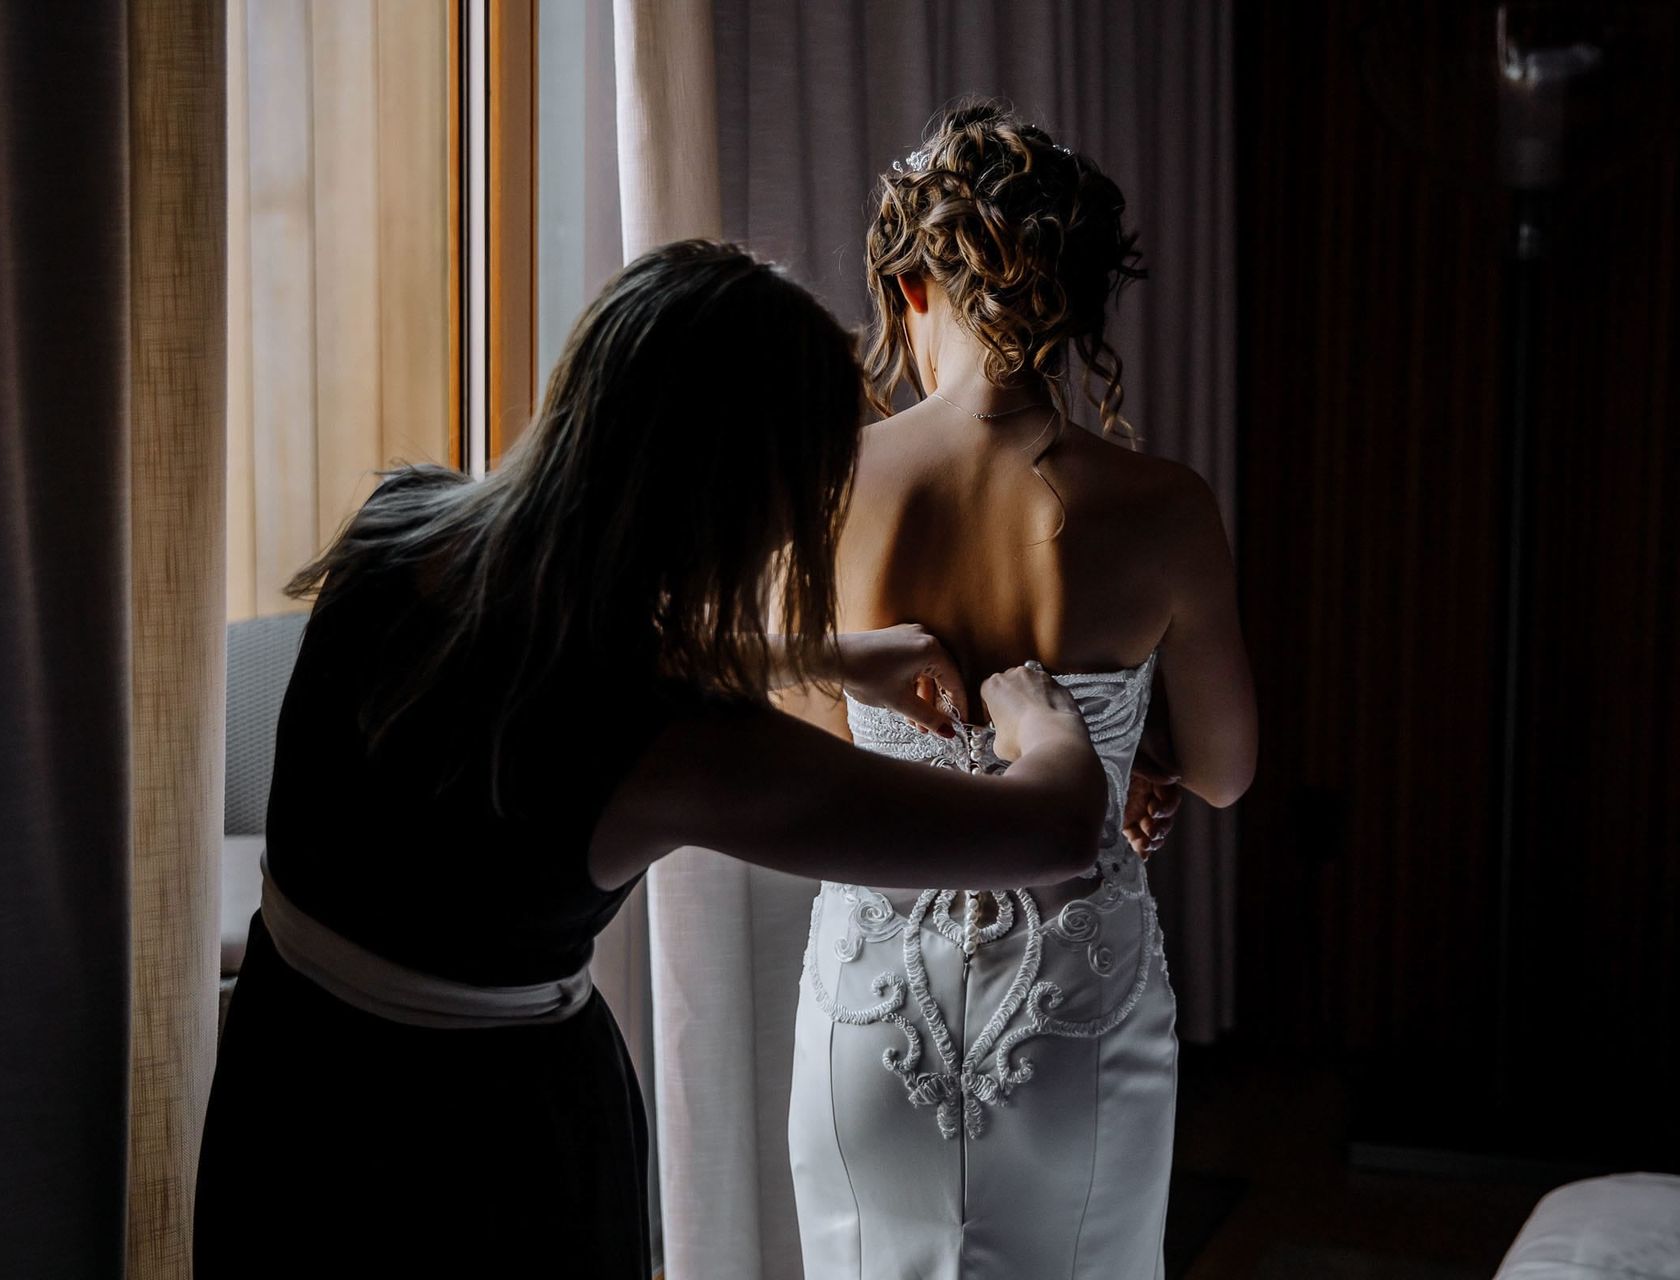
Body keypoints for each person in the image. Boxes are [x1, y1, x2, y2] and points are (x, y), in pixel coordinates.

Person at [193, 240, 1114, 1277]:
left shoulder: (398, 526)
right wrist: (1042, 719)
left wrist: (824, 653)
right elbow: (1055, 829)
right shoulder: (683, 751)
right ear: (734, 499)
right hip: (480, 1150)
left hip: (288, 1081)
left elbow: (557, 652)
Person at [787, 103, 1258, 1279]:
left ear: (912, 289)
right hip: (1072, 1011)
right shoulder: (1165, 505)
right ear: (1084, 307)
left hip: (872, 1012)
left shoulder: (835, 479)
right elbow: (1226, 767)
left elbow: (808, 732)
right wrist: (1131, 752)